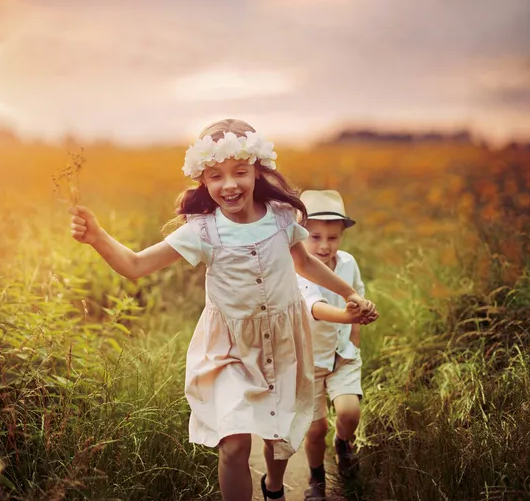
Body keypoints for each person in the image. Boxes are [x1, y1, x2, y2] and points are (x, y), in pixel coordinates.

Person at [69, 119, 378, 501]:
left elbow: (305, 264)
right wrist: (97, 237)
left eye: (239, 172)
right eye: (215, 176)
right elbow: (135, 266)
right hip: (228, 349)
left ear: (257, 171)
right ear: (203, 180)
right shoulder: (203, 231)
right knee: (233, 445)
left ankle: (274, 487)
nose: (229, 185)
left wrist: (348, 293)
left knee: (278, 437)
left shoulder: (282, 217)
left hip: (281, 342)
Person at [296, 190, 367, 501]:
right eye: (315, 236)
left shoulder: (348, 263)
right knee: (314, 429)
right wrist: (347, 313)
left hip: (342, 354)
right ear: (300, 235)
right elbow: (314, 306)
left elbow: (357, 293)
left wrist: (356, 332)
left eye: (333, 238)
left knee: (350, 411)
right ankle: (316, 477)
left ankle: (343, 442)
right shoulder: (298, 266)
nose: (324, 246)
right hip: (307, 359)